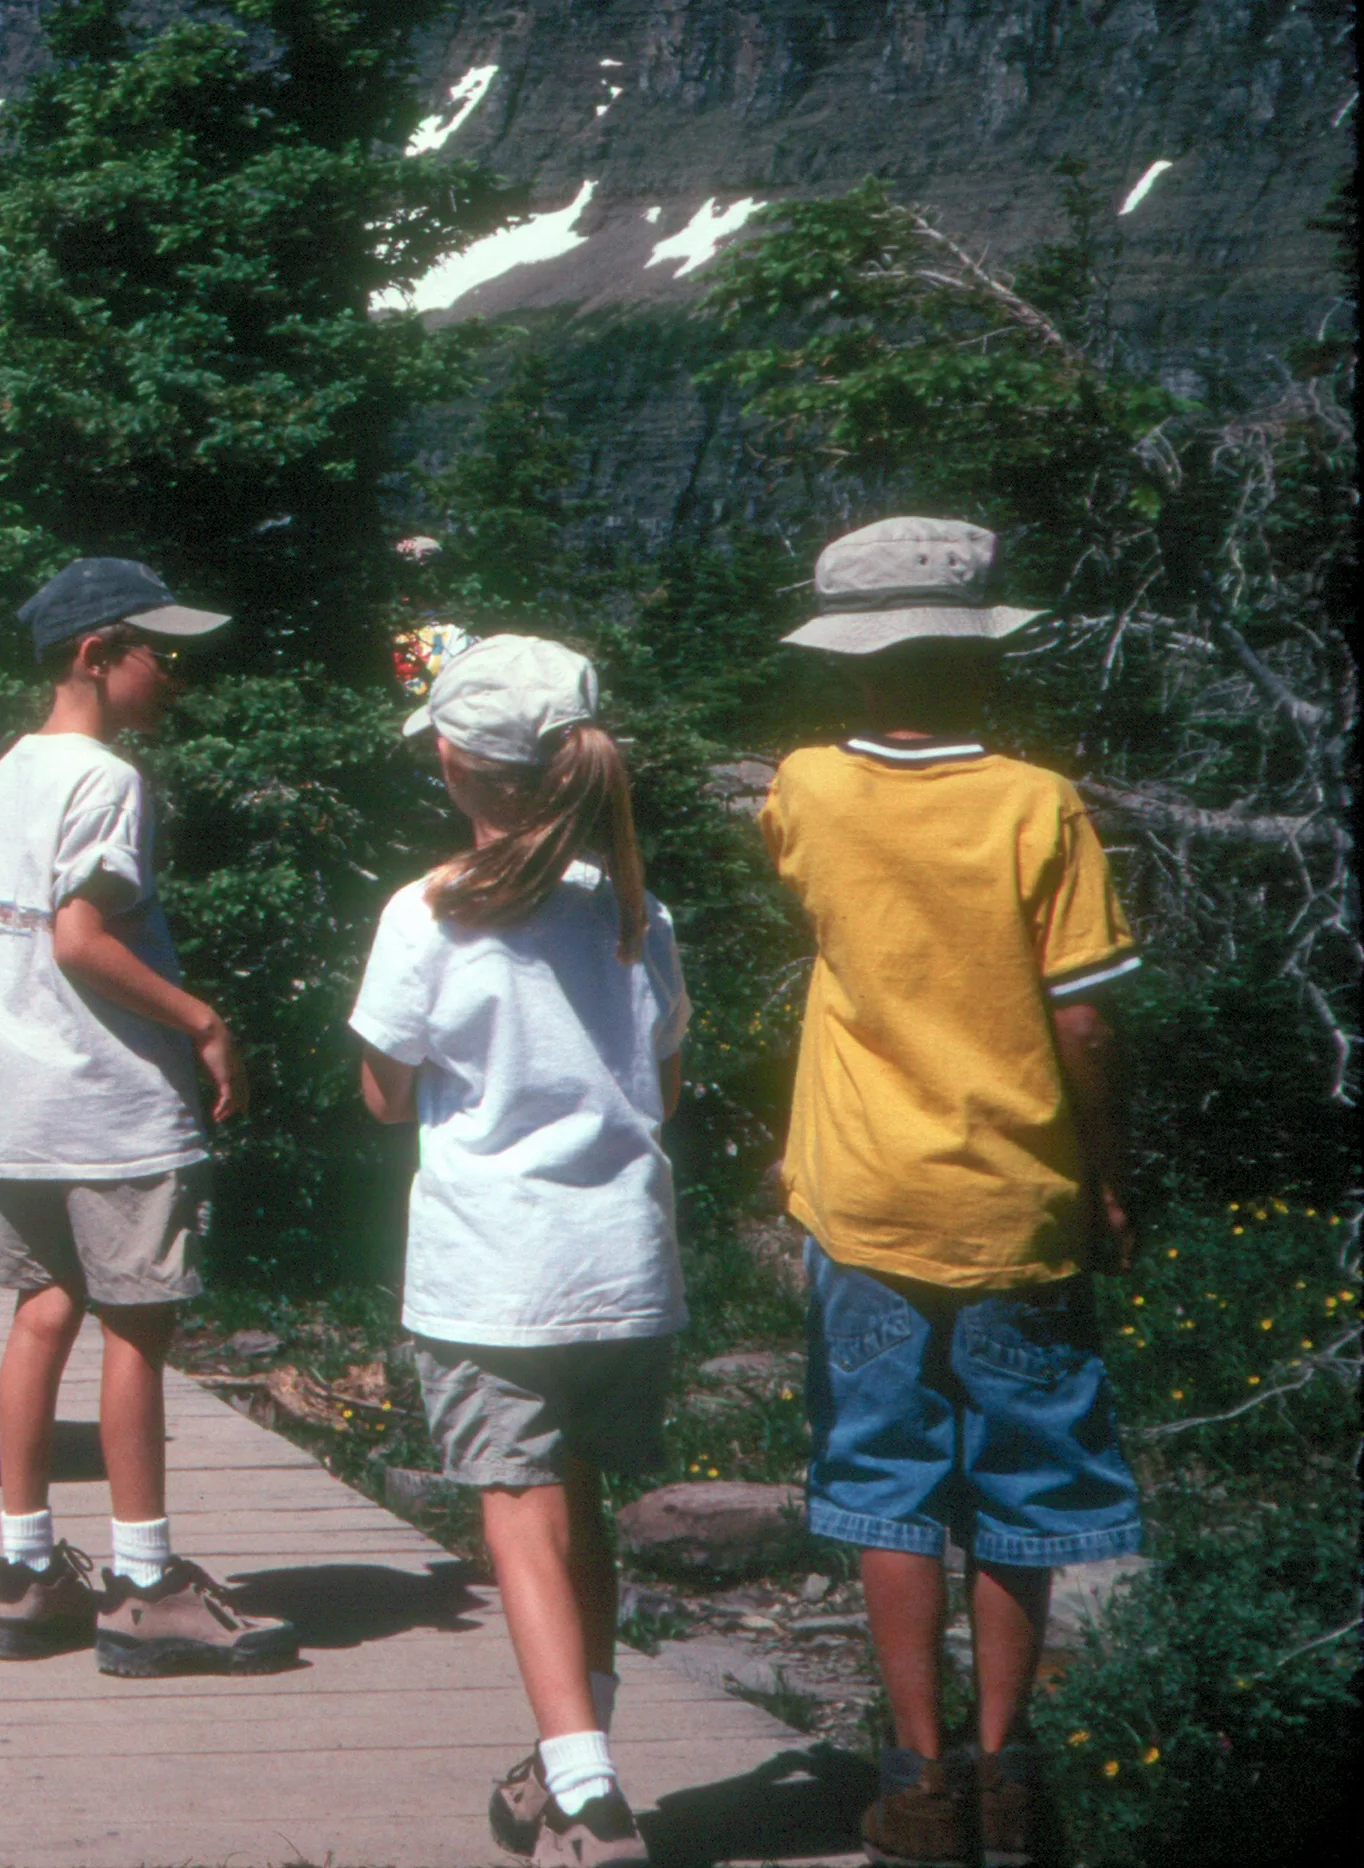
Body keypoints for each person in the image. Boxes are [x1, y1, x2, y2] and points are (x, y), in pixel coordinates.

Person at [762, 518, 1143, 1868]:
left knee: (886, 1484)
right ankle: (1006, 1775)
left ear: (854, 663)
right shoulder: (1041, 805)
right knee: (1023, 1497)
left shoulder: (807, 786)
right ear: (976, 651)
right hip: (1016, 1204)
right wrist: (1104, 1175)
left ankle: (914, 1785)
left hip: (864, 1201)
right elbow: (1085, 1027)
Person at [351, 635, 686, 1868]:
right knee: (581, 1508)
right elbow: (666, 1072)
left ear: (455, 763)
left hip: (493, 1266)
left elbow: (385, 1092)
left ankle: (593, 1797)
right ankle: (566, 1744)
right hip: (621, 1263)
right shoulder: (639, 913)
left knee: (518, 1510)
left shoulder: (426, 912)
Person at [0, 556, 296, 1678]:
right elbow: (81, 937)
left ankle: (25, 1567)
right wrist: (202, 1019)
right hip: (113, 1107)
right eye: (161, 653)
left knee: (42, 1312)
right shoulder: (108, 779)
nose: (176, 676)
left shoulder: (3, 775)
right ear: (97, 655)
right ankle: (144, 1582)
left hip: (19, 1109)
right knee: (138, 1329)